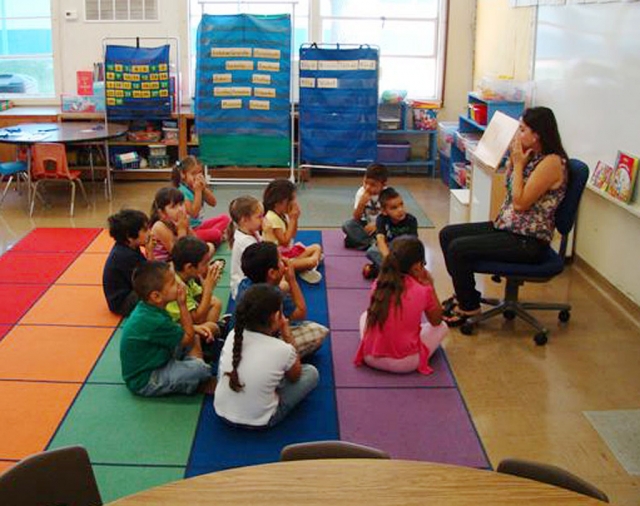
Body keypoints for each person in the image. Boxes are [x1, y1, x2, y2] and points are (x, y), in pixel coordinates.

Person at [439, 106, 568, 326]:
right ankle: (466, 294)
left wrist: (518, 165)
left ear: (537, 135)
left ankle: (469, 307)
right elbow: (511, 189)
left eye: (523, 130)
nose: (518, 134)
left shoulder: (551, 163)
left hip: (528, 240)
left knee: (458, 248)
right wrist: (514, 162)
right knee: (447, 234)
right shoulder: (532, 156)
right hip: (508, 228)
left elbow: (519, 203)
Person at [214, 283, 319, 428]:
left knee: (234, 366)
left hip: (221, 412)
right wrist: (286, 332)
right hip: (261, 420)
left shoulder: (233, 335)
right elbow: (296, 376)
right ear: (276, 316)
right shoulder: (283, 349)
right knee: (311, 373)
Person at [120, 261, 216, 397]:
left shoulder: (149, 307)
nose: (180, 285)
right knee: (201, 370)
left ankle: (190, 367)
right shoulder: (152, 320)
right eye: (173, 283)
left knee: (194, 333)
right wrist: (182, 305)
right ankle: (195, 375)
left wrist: (193, 328)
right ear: (156, 296)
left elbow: (178, 330)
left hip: (160, 357)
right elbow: (187, 338)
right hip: (145, 379)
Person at [355, 237, 447, 375]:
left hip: (370, 357)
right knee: (442, 327)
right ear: (417, 266)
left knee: (366, 315)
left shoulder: (379, 283)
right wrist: (430, 285)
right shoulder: (423, 289)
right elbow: (436, 321)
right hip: (406, 363)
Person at [235, 242, 329, 357]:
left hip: (241, 339)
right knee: (318, 332)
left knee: (284, 288)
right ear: (272, 273)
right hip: (262, 347)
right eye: (280, 260)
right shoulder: (273, 296)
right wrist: (292, 279)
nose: (285, 260)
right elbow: (301, 313)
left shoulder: (244, 284)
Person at [262, 179, 323, 284]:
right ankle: (303, 267)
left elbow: (293, 235)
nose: (294, 203)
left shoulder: (281, 214)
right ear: (279, 202)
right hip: (279, 260)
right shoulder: (271, 217)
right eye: (292, 200)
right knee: (313, 261)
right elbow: (284, 241)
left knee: (317, 247)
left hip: (287, 253)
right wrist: (293, 219)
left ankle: (302, 268)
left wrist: (294, 219)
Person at [103, 209, 155, 316]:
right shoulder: (125, 255)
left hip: (130, 290)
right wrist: (150, 252)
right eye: (145, 230)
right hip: (123, 303)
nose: (150, 233)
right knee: (159, 290)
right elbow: (150, 278)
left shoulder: (129, 247)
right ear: (130, 237)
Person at [165, 236, 223, 329]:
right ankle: (206, 338)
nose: (208, 267)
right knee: (213, 327)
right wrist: (208, 289)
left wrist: (207, 285)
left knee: (215, 303)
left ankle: (208, 336)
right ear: (189, 267)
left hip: (186, 318)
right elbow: (196, 319)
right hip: (174, 326)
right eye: (204, 263)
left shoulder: (186, 275)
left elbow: (199, 295)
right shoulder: (175, 285)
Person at [172, 156, 231, 246]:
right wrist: (198, 191)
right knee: (216, 233)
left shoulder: (198, 187)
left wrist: (204, 188)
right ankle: (213, 237)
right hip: (190, 231)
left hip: (199, 226)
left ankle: (211, 237)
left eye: (200, 173)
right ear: (183, 174)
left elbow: (213, 203)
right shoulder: (182, 191)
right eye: (193, 174)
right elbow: (194, 213)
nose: (197, 177)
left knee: (225, 219)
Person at [363, 187, 418, 279]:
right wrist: (389, 258)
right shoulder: (381, 219)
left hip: (405, 252)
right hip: (389, 251)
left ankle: (382, 271)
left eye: (401, 205)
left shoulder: (411, 220)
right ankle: (395, 273)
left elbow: (414, 244)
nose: (400, 210)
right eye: (394, 208)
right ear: (384, 211)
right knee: (371, 251)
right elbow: (380, 240)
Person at [342, 163, 388, 251]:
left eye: (373, 185)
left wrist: (377, 225)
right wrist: (362, 203)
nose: (367, 187)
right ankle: (372, 244)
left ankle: (363, 242)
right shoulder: (361, 192)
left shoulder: (388, 194)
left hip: (382, 227)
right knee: (348, 225)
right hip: (366, 226)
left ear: (383, 185)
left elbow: (392, 216)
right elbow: (356, 217)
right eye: (365, 182)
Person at [149, 187, 203, 262]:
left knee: (209, 247)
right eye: (174, 207)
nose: (180, 209)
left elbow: (198, 244)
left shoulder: (178, 221)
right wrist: (182, 230)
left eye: (181, 204)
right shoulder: (159, 226)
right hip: (165, 265)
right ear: (162, 213)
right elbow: (178, 255)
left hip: (179, 260)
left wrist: (187, 227)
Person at [228, 195, 264, 300]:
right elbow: (264, 262)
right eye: (259, 217)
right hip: (243, 288)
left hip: (251, 279)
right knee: (283, 285)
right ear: (245, 220)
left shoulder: (252, 232)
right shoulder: (245, 242)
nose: (263, 220)